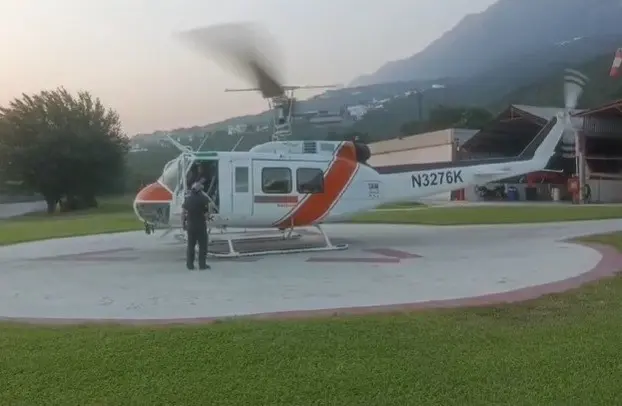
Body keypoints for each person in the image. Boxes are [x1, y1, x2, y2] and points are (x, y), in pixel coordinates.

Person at [182, 182, 211, 270]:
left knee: (191, 246)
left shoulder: (188, 199)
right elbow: (208, 210)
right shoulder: (203, 198)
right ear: (200, 190)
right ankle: (202, 265)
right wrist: (207, 216)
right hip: (201, 226)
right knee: (203, 246)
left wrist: (183, 224)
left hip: (191, 226)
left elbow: (183, 213)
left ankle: (190, 265)